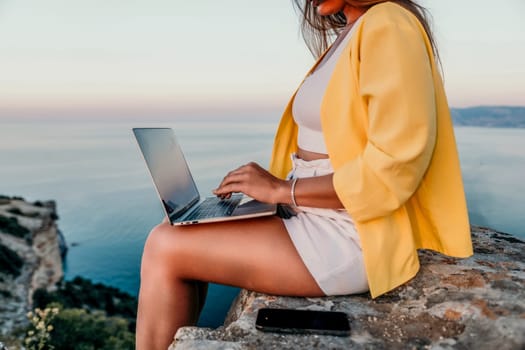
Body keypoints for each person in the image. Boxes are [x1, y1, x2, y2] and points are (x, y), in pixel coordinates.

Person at [135, 1, 473, 348]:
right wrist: (273, 190)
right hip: (312, 212)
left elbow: (394, 168)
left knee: (164, 247)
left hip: (350, 232)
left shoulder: (389, 24)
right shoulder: (352, 32)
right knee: (175, 230)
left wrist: (283, 189)